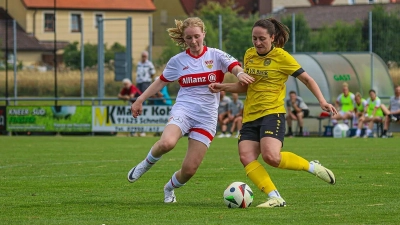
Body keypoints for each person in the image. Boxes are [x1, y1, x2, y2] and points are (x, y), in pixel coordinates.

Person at [209, 18, 337, 208]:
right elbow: (246, 86)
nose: (258, 43)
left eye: (262, 39)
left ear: (273, 38)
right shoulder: (249, 55)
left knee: (271, 157)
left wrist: (322, 101)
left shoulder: (282, 57)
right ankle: (275, 197)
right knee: (246, 157)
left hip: (272, 113)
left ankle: (312, 167)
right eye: (254, 39)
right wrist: (223, 86)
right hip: (250, 115)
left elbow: (307, 80)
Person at [127, 17, 245, 203]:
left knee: (189, 170)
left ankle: (169, 188)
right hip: (184, 110)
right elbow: (161, 81)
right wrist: (140, 99)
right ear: (184, 39)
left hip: (206, 117)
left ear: (203, 34)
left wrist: (241, 73)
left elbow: (235, 68)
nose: (194, 41)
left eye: (197, 36)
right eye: (189, 38)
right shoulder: (178, 61)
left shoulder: (216, 55)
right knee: (167, 143)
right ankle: (145, 164)